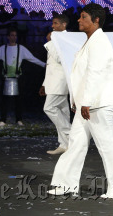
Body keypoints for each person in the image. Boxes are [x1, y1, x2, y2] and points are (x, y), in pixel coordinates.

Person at [48, 3, 113, 198]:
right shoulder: (91, 40)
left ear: (96, 20)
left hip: (97, 104)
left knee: (107, 145)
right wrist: (80, 101)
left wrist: (86, 101)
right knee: (75, 143)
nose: (79, 20)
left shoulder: (99, 42)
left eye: (83, 17)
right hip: (87, 104)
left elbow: (96, 74)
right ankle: (66, 184)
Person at [0, 29, 45, 126]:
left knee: (19, 100)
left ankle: (19, 119)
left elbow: (32, 58)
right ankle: (3, 120)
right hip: (6, 77)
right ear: (8, 37)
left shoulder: (21, 49)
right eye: (12, 35)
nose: (14, 37)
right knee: (5, 99)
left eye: (15, 35)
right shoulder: (2, 49)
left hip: (18, 77)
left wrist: (44, 65)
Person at [39, 15, 71, 155]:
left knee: (49, 108)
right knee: (62, 111)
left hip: (60, 80)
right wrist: (44, 84)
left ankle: (71, 133)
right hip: (54, 81)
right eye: (53, 23)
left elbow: (59, 59)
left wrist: (50, 42)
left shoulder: (65, 38)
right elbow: (50, 64)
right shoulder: (57, 38)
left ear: (64, 25)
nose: (53, 26)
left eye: (56, 23)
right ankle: (65, 144)